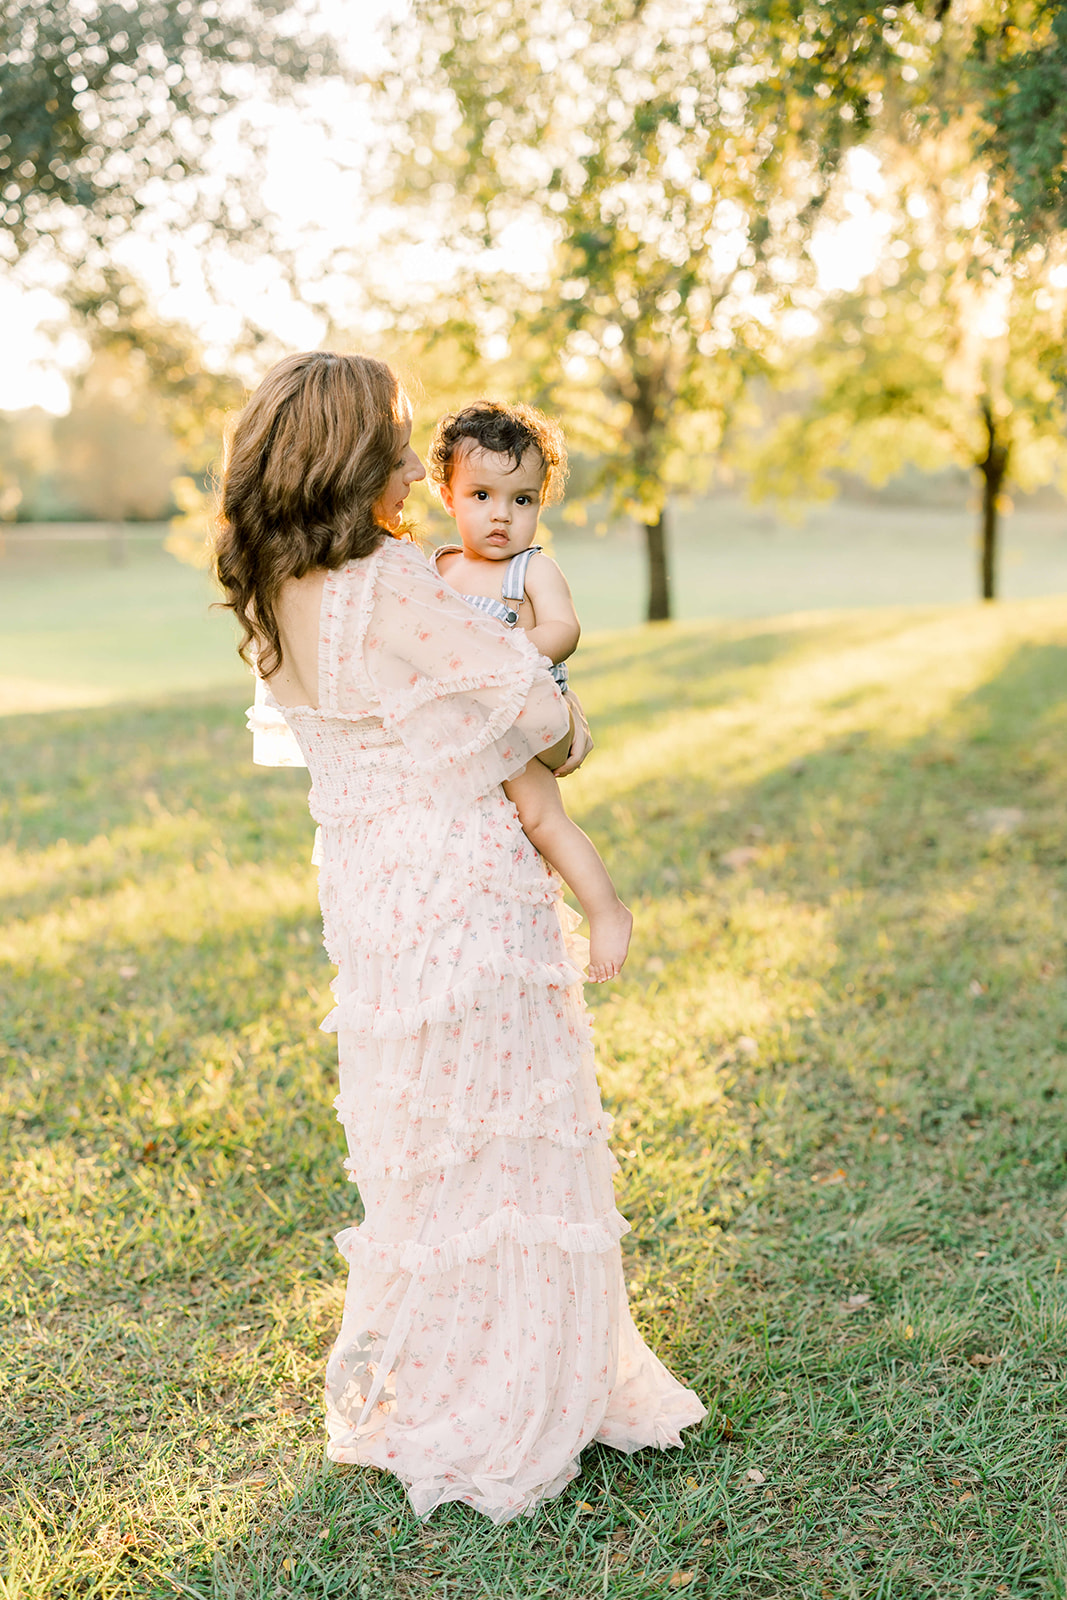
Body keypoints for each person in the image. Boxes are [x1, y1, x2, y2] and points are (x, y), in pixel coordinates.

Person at [215, 350, 705, 1525]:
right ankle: (513, 1388)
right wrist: (566, 722)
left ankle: (440, 1369)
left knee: (423, 1142)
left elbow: (360, 724)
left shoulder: (271, 584)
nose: (404, 448)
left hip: (371, 894)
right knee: (510, 1131)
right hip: (464, 879)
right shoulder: (386, 578)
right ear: (348, 452)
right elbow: (538, 717)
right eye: (391, 430)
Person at [428, 400, 632, 982]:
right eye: (482, 496)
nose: (503, 517)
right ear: (448, 496)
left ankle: (607, 910)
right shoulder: (436, 569)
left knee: (541, 817)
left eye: (523, 501)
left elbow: (564, 630)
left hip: (521, 714)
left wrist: (510, 657)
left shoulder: (532, 569)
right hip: (462, 725)